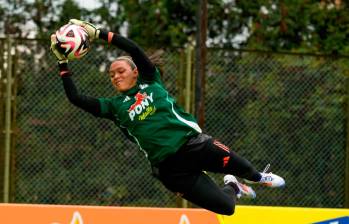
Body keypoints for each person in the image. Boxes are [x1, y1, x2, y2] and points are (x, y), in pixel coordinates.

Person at [50, 19, 285, 216]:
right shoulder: (114, 107)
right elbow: (76, 98)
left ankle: (259, 177)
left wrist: (98, 33)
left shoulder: (150, 81)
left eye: (120, 71)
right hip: (170, 169)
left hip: (193, 145)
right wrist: (62, 62)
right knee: (226, 208)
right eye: (111, 75)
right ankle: (233, 186)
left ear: (135, 71)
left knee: (246, 168)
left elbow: (133, 49)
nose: (115, 76)